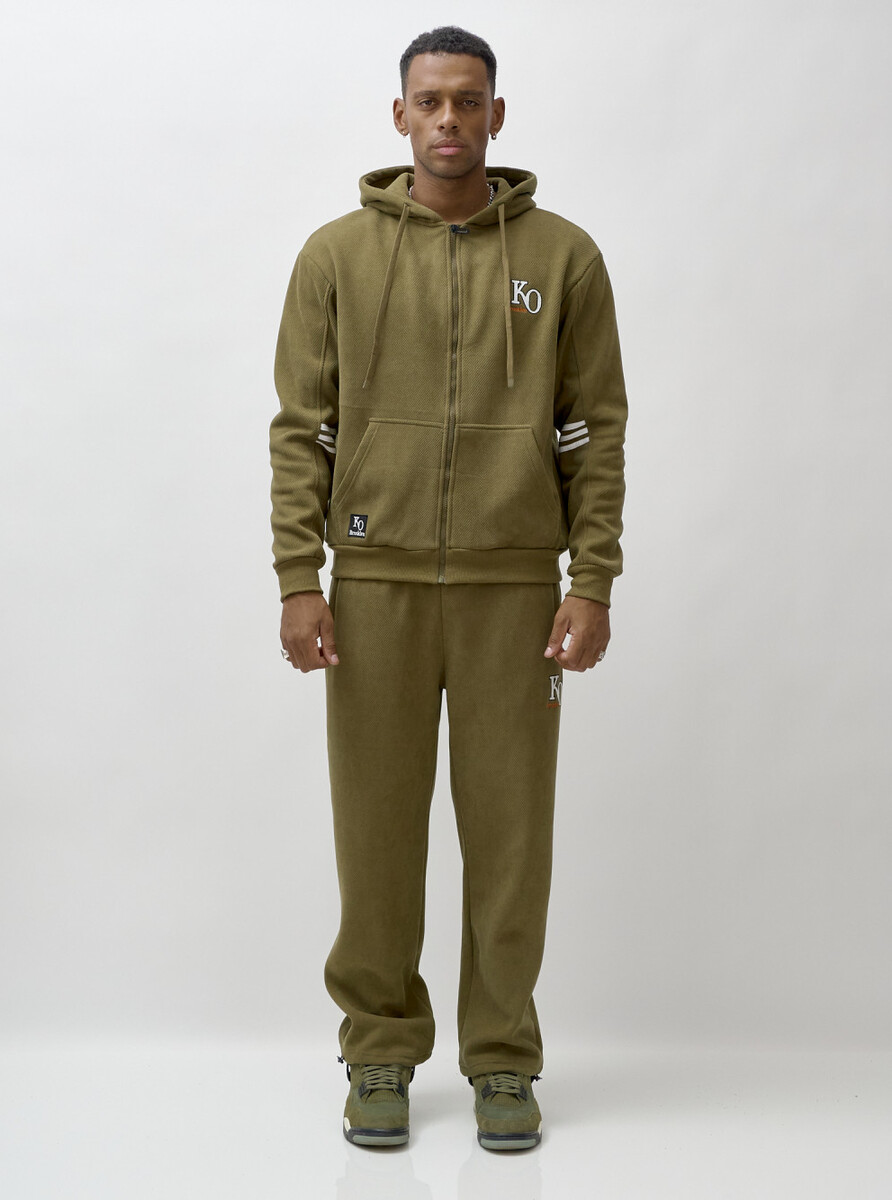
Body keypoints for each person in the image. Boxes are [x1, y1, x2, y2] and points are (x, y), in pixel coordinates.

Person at [269, 25, 628, 1151]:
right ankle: (379, 1050)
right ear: (400, 116)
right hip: (371, 585)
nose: (449, 120)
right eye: (429, 101)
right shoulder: (335, 256)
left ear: (496, 115)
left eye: (468, 100)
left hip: (514, 593)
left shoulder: (564, 259)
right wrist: (299, 575)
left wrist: (591, 578)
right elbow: (301, 429)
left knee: (511, 839)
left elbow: (595, 432)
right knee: (376, 833)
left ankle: (503, 1060)